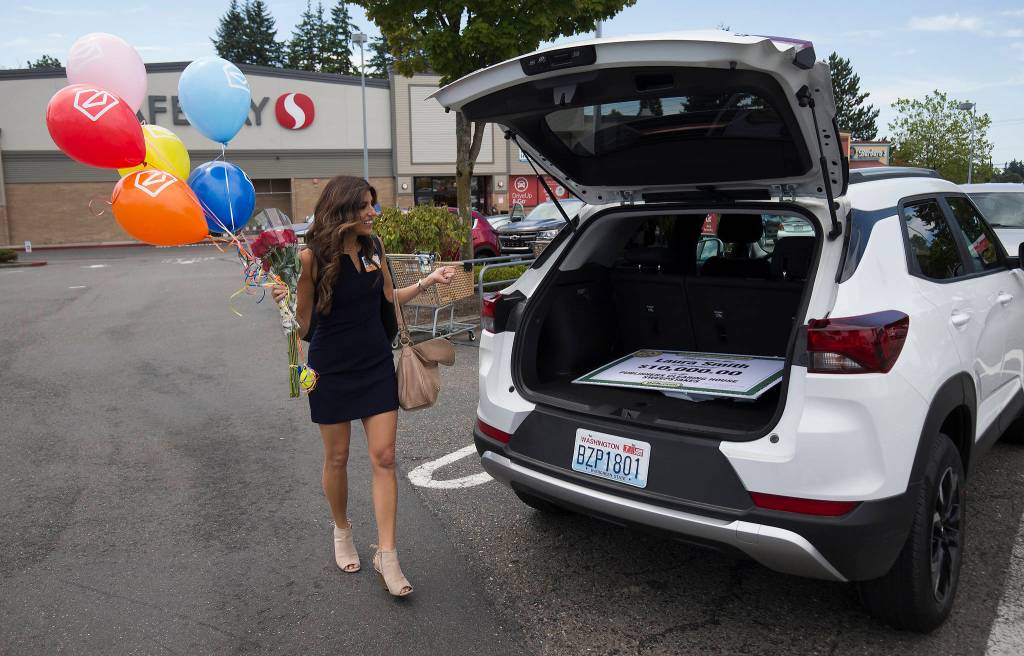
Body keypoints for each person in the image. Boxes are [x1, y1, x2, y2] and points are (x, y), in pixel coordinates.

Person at [272, 175, 456, 597]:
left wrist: (429, 282)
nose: (373, 212)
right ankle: (341, 530)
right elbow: (301, 326)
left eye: (373, 205)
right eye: (365, 206)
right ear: (343, 210)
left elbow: (388, 298)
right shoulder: (309, 258)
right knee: (336, 458)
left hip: (374, 363)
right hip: (330, 369)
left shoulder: (375, 248)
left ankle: (387, 554)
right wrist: (282, 298)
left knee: (385, 457)